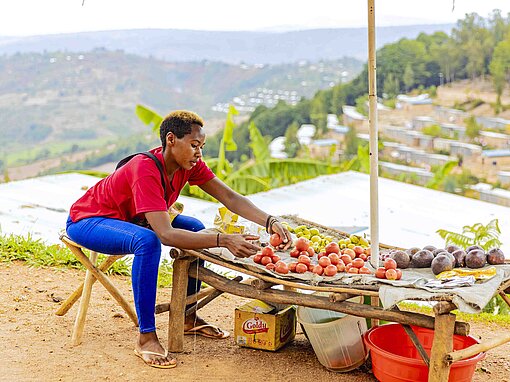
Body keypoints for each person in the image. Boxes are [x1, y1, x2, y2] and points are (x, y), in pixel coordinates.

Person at [66, 110, 292, 368]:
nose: (199, 153)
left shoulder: (188, 165)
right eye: (194, 145)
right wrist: (223, 240)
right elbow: (165, 234)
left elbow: (230, 198)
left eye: (202, 146)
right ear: (171, 140)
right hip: (89, 220)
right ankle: (146, 337)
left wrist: (270, 220)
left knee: (196, 228)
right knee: (147, 242)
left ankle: (187, 317)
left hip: (131, 220)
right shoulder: (145, 168)